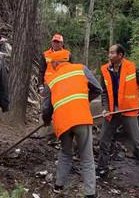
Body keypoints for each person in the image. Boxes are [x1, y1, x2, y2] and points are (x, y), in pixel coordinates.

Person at [42, 51, 102, 198]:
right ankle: (90, 193)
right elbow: (98, 89)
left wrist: (46, 120)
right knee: (87, 157)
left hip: (63, 122)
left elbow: (46, 108)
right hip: (81, 118)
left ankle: (58, 186)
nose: (51, 65)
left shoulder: (51, 80)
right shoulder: (81, 69)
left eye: (52, 63)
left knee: (66, 153)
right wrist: (82, 101)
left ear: (56, 63)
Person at [97, 44, 139, 184]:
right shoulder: (105, 69)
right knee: (104, 140)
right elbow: (104, 92)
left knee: (137, 142)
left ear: (120, 55)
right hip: (112, 111)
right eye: (109, 52)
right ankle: (102, 168)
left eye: (112, 53)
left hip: (128, 111)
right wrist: (105, 108)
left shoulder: (132, 68)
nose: (109, 55)